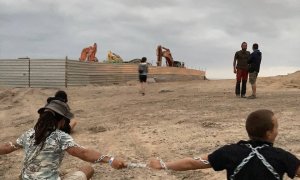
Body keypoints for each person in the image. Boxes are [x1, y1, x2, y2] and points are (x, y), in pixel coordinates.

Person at [149, 109, 300, 180]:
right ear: (269, 133)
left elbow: (191, 163)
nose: (278, 131)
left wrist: (163, 164)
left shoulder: (230, 152)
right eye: (277, 127)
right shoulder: (282, 157)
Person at [0, 100, 126, 179]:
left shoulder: (29, 133)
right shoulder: (60, 136)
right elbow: (83, 153)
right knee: (88, 169)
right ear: (61, 121)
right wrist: (110, 160)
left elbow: (7, 147)